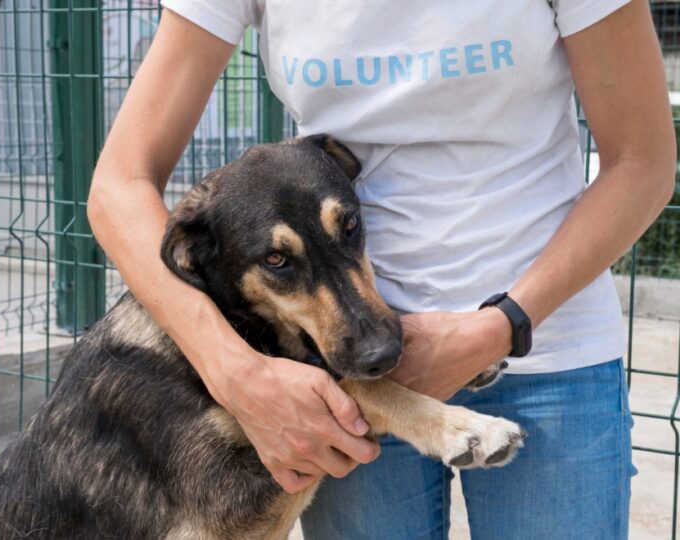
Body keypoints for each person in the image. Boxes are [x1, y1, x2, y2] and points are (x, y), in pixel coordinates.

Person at [87, 1, 676, 538]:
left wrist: (501, 325)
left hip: (549, 348)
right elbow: (118, 186)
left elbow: (642, 162)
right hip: (343, 387)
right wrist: (236, 372)